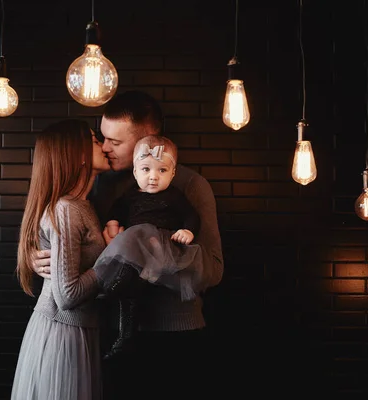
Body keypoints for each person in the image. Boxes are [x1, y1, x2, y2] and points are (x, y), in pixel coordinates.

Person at [31, 90, 224, 400]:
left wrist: (148, 251)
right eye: (102, 139)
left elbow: (213, 271)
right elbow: (73, 236)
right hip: (111, 331)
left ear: (148, 142)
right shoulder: (103, 184)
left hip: (173, 333)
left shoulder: (190, 186)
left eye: (115, 142)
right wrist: (37, 255)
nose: (105, 148)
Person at [10, 119, 110, 400]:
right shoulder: (66, 209)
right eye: (94, 140)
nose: (102, 145)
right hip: (63, 334)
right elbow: (67, 295)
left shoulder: (81, 205)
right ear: (78, 155)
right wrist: (114, 255)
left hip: (78, 330)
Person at [93, 134, 205, 360]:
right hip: (136, 248)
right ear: (135, 172)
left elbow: (191, 216)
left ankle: (117, 289)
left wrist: (187, 231)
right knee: (131, 295)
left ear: (172, 174)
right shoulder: (130, 195)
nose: (153, 177)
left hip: (161, 247)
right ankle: (126, 336)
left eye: (162, 171)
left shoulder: (174, 196)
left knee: (139, 289)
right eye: (145, 170)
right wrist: (113, 222)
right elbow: (117, 208)